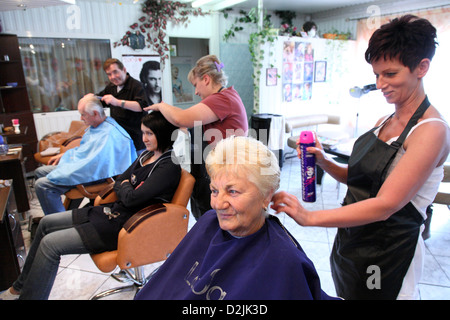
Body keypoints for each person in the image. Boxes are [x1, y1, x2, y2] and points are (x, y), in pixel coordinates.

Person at [271, 15, 450, 300]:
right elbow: (360, 179)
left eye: (390, 74)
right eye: (376, 75)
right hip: (353, 240)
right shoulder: (384, 120)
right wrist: (324, 162)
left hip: (389, 251)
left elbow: (385, 204)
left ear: (422, 67)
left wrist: (310, 217)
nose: (380, 84)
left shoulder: (431, 132)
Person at [0, 112, 181, 300]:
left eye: (150, 133)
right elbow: (120, 181)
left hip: (127, 226)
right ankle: (20, 286)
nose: (144, 139)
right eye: (143, 133)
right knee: (46, 223)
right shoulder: (146, 155)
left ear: (163, 133)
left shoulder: (168, 166)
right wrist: (126, 186)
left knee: (50, 245)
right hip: (111, 212)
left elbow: (131, 198)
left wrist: (126, 186)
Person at [135, 136, 338, 300]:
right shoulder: (208, 222)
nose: (217, 204)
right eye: (214, 191)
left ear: (266, 194)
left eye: (232, 192)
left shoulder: (284, 261)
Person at [145, 55, 248, 219]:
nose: (196, 91)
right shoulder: (228, 96)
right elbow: (186, 120)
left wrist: (161, 105)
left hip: (225, 170)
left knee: (214, 220)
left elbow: (181, 118)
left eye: (196, 85)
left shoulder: (221, 99)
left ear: (206, 79)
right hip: (218, 167)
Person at [34, 95, 137, 215]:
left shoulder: (109, 134)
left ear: (95, 113)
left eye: (83, 114)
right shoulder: (98, 126)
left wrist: (68, 169)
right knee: (40, 172)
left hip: (99, 175)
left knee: (42, 185)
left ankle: (58, 222)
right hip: (87, 168)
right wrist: (65, 155)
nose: (81, 118)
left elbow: (93, 164)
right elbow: (87, 150)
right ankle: (56, 211)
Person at [92, 58, 148, 152]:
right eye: (109, 74)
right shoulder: (111, 87)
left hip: (136, 140)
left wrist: (117, 102)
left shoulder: (136, 86)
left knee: (137, 165)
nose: (113, 77)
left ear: (124, 70)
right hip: (120, 139)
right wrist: (92, 98)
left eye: (115, 72)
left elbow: (142, 106)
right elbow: (101, 99)